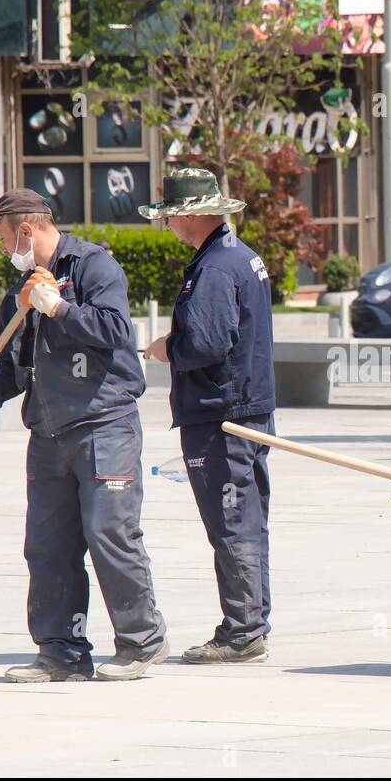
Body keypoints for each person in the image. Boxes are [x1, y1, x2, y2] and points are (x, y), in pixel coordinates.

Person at [0, 188, 168, 682]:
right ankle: (61, 651)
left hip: (104, 425)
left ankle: (141, 642)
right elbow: (10, 368)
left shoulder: (93, 267)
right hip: (47, 431)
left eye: (3, 238)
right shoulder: (20, 293)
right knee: (48, 545)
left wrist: (58, 307)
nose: (3, 249)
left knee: (110, 534)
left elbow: (113, 333)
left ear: (24, 229)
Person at [141, 168, 276, 665]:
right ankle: (249, 624)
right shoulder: (239, 257)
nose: (169, 225)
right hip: (246, 408)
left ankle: (242, 632)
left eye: (172, 216)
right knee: (247, 518)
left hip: (223, 415)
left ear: (191, 214)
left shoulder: (216, 268)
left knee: (233, 520)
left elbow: (206, 343)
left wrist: (165, 348)